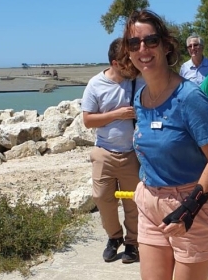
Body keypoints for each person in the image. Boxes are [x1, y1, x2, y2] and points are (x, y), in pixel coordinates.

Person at [118, 10, 208, 280]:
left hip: (191, 205)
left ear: (166, 45)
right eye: (134, 43)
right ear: (129, 52)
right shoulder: (140, 98)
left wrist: (189, 208)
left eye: (151, 41)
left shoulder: (190, 97)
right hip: (150, 201)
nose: (143, 49)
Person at [81, 38, 143, 264]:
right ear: (116, 63)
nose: (132, 64)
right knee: (101, 197)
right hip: (104, 151)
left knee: (134, 203)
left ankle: (132, 243)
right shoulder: (95, 84)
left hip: (131, 152)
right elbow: (88, 120)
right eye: (127, 60)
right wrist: (117, 114)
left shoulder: (137, 81)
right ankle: (114, 237)